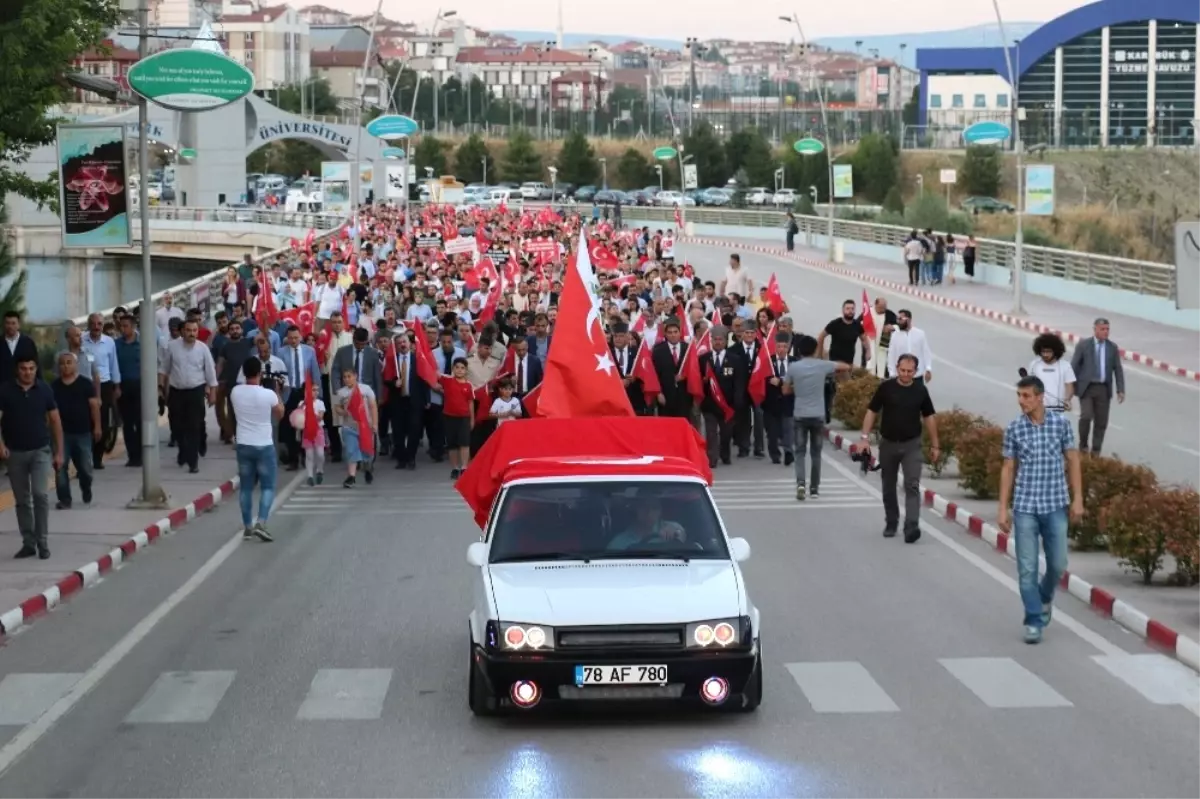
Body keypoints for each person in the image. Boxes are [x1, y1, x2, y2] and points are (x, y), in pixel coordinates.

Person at [997, 375, 1084, 645]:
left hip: (1055, 505)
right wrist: (1002, 508)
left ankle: (1044, 597)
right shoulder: (1014, 429)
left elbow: (1073, 460)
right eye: (1019, 396)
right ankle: (1033, 620)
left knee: (1058, 564)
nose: (1022, 401)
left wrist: (1078, 498)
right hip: (1025, 508)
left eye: (1027, 396)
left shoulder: (1061, 425)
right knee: (1027, 569)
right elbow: (1008, 468)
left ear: (1040, 397)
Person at [859, 354, 940, 542]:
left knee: (912, 485)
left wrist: (936, 444)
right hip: (888, 444)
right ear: (896, 368)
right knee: (888, 485)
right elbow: (872, 411)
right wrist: (864, 438)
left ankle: (911, 525)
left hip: (912, 445)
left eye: (909, 371)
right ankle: (891, 521)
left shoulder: (920, 391)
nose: (905, 374)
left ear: (915, 372)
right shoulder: (886, 387)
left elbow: (929, 417)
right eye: (902, 370)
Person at [0, 356, 63, 559]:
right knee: (22, 500)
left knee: (40, 494)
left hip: (40, 450)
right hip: (15, 452)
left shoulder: (44, 389)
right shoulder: (6, 391)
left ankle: (42, 541)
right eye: (23, 368)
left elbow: (54, 420)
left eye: (31, 368)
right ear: (17, 370)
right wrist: (1, 445)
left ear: (36, 369)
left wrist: (59, 451)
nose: (27, 372)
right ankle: (28, 542)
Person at [783, 335, 852, 500]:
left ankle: (800, 484)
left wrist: (797, 389)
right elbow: (845, 366)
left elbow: (785, 391)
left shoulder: (793, 367)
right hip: (818, 415)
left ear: (798, 351)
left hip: (800, 415)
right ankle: (814, 489)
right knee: (815, 453)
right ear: (815, 350)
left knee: (799, 452)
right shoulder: (822, 366)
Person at [231, 358, 284, 542]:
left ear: (244, 373)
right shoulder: (268, 394)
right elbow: (280, 413)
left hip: (244, 444)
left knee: (245, 487)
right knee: (268, 486)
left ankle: (247, 526)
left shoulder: (235, 392)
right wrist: (277, 391)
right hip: (264, 444)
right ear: (260, 373)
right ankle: (261, 522)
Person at [158, 320, 218, 473]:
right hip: (176, 391)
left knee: (194, 426)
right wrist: (160, 389)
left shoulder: (203, 348)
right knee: (177, 425)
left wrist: (212, 393)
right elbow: (163, 369)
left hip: (195, 391)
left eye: (194, 330)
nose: (192, 333)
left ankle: (193, 461)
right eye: (188, 330)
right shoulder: (172, 347)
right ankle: (183, 450)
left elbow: (211, 372)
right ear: (182, 331)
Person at [51, 352, 100, 509]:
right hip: (61, 434)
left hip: (82, 432)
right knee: (60, 467)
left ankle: (86, 487)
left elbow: (94, 407)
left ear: (75, 364)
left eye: (68, 362)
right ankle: (65, 499)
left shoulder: (85, 384)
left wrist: (97, 426)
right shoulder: (54, 387)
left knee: (85, 468)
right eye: (62, 363)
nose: (65, 366)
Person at [1069, 317, 1124, 455]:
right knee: (1086, 416)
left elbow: (1117, 369)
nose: (1106, 332)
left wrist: (1120, 389)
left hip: (1103, 389)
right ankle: (1083, 445)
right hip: (1087, 388)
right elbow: (1073, 367)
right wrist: (1069, 390)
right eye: (1102, 329)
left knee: (1101, 421)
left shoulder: (1112, 348)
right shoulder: (1084, 345)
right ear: (1095, 330)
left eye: (1107, 329)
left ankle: (1096, 450)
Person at [700, 326, 745, 467]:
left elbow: (739, 382)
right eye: (715, 339)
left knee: (726, 433)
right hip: (709, 404)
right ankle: (711, 458)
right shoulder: (703, 359)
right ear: (711, 341)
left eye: (720, 339)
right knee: (711, 433)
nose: (718, 342)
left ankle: (725, 454)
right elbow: (697, 381)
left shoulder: (735, 359)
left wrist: (738, 401)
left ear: (725, 342)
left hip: (727, 404)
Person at [333, 365, 378, 488]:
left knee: (367, 452)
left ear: (355, 376)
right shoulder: (341, 392)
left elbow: (373, 406)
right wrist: (342, 412)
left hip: (365, 426)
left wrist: (374, 423)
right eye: (344, 377)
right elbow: (337, 407)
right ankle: (351, 476)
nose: (347, 379)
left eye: (349, 376)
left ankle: (367, 468)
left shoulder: (365, 389)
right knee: (351, 451)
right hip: (349, 427)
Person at [434, 357, 474, 479]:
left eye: (462, 368)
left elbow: (470, 403)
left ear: (466, 370)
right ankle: (455, 468)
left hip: (464, 418)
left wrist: (472, 419)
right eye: (457, 367)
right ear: (453, 369)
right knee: (452, 445)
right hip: (449, 417)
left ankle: (464, 467)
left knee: (464, 443)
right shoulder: (447, 380)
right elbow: (434, 372)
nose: (459, 370)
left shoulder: (468, 385)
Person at [1025, 333, 1075, 412]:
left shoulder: (1065, 366)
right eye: (1043, 352)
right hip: (1038, 408)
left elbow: (1069, 386)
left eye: (1048, 352)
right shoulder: (1034, 364)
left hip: (1057, 409)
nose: (1045, 354)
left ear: (1055, 351)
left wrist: (1067, 399)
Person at [886, 310, 933, 384]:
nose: (898, 321)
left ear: (909, 320)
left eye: (900, 319)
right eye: (897, 319)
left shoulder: (920, 334)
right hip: (901, 376)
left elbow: (926, 352)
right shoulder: (895, 335)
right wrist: (892, 373)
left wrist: (928, 369)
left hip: (917, 375)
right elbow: (891, 355)